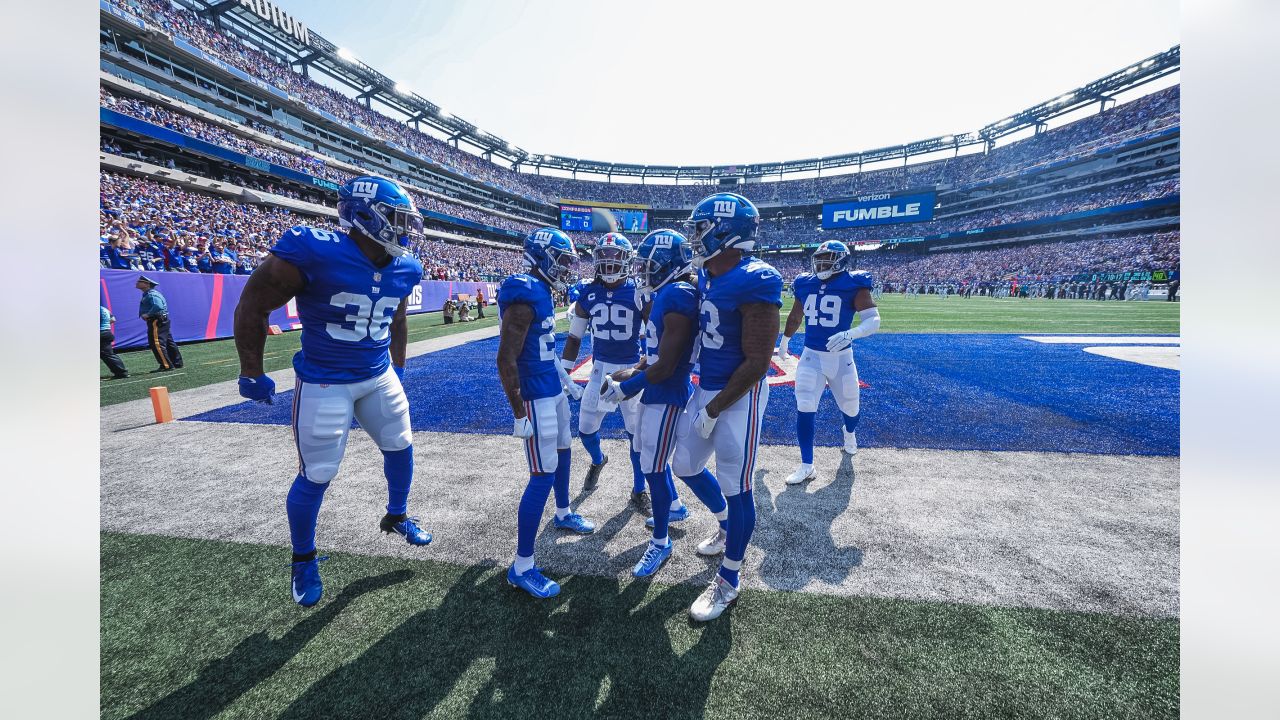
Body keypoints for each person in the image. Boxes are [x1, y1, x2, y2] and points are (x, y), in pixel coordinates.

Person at [232, 176, 432, 608]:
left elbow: (397, 319)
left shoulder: (406, 266)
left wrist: (397, 366)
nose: (405, 231)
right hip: (325, 381)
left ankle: (396, 516)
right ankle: (303, 558)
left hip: (377, 374)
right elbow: (253, 304)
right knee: (317, 474)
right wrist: (251, 369)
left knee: (401, 445)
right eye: (397, 221)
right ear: (363, 217)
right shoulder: (312, 249)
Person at [671, 193, 781, 621]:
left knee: (738, 485)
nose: (695, 238)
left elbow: (757, 362)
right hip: (707, 388)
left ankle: (730, 579)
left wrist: (714, 408)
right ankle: (724, 524)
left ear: (725, 231)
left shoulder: (757, 278)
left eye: (701, 229)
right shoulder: (707, 277)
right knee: (685, 465)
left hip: (740, 396)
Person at [602, 230, 729, 578]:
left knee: (657, 468)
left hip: (669, 394)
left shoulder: (677, 295)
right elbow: (656, 355)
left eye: (650, 266)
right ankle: (707, 519)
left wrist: (628, 388)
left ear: (669, 265)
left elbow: (670, 364)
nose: (643, 273)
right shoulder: (667, 292)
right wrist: (630, 373)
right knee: (650, 464)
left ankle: (661, 542)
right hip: (657, 390)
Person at [496, 227, 595, 599]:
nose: (568, 267)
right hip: (534, 397)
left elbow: (542, 349)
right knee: (541, 475)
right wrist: (518, 412)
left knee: (565, 449)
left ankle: (564, 511)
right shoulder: (523, 294)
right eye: (564, 259)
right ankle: (521, 566)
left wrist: (565, 381)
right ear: (543, 256)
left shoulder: (539, 290)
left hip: (551, 389)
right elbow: (506, 358)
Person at [560, 233, 651, 512]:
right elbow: (574, 338)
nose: (609, 263)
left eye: (616, 257)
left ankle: (638, 490)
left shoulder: (639, 293)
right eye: (605, 256)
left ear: (627, 260)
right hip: (599, 371)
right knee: (586, 430)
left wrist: (643, 367)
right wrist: (565, 375)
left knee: (636, 435)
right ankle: (599, 459)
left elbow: (658, 338)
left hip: (631, 369)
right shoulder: (587, 294)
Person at [776, 240, 880, 485]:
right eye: (819, 259)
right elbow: (795, 315)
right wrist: (784, 341)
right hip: (811, 356)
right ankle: (806, 465)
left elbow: (873, 321)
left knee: (851, 407)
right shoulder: (805, 283)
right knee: (804, 405)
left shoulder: (854, 283)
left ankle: (849, 433)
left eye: (828, 259)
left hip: (841, 357)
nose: (822, 264)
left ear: (842, 260)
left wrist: (849, 334)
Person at [137, 275, 183, 372]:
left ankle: (166, 365)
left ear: (146, 284)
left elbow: (158, 306)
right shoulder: (150, 293)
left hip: (156, 320)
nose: (137, 283)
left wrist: (148, 314)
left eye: (140, 281)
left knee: (156, 343)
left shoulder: (151, 294)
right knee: (169, 342)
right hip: (161, 319)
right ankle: (177, 362)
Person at [100, 305, 129, 379]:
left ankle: (121, 372)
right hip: (106, 332)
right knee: (108, 354)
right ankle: (121, 372)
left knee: (108, 355)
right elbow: (113, 319)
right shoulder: (103, 309)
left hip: (101, 333)